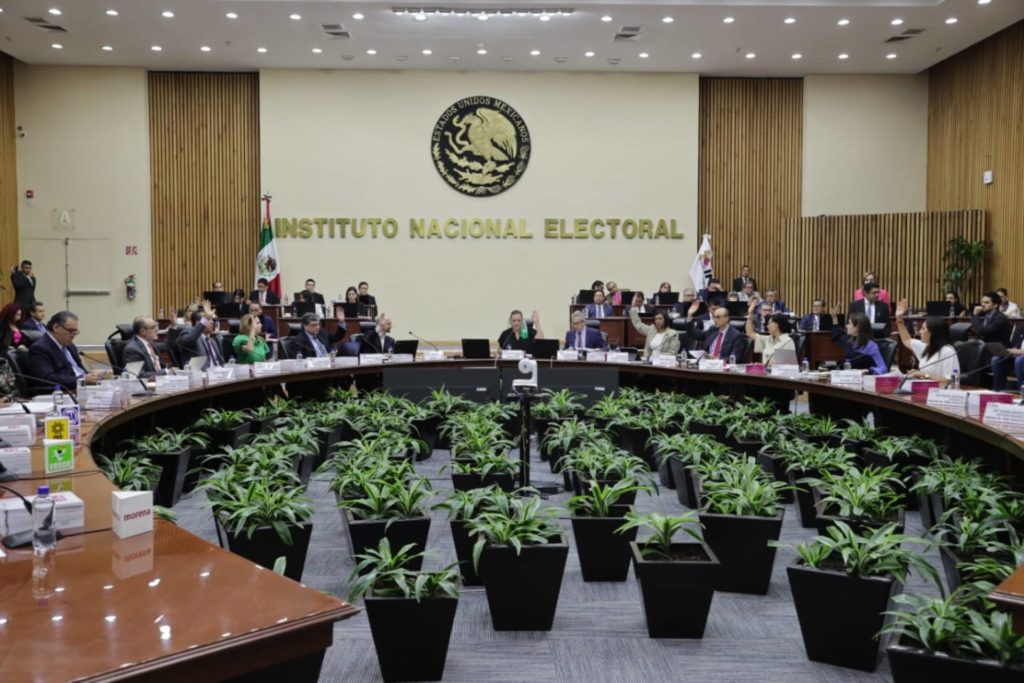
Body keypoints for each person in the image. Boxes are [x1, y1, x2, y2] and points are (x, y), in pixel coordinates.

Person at [25, 311, 101, 393]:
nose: (73, 335)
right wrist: (81, 379)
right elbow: (47, 379)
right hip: (63, 393)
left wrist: (92, 376)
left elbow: (80, 370)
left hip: (83, 389)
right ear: (56, 327)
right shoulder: (40, 348)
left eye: (75, 332)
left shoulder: (70, 346)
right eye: (70, 331)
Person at [894, 299, 959, 385]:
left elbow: (949, 381)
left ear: (933, 332)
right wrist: (899, 320)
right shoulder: (926, 346)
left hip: (942, 392)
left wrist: (923, 375)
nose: (919, 332)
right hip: (925, 389)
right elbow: (906, 340)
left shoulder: (948, 351)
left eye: (923, 329)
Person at [829, 308, 887, 375]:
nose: (846, 326)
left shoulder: (871, 346)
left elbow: (883, 369)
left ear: (858, 327)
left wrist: (868, 371)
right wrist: (834, 318)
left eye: (849, 324)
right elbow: (838, 335)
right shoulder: (851, 342)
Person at [745, 301, 796, 366]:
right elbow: (749, 333)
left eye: (769, 323)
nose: (767, 326)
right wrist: (750, 314)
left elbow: (787, 365)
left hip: (777, 372)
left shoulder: (787, 341)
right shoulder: (768, 339)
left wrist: (765, 365)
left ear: (777, 325)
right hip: (765, 371)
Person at [180, 302, 226, 370]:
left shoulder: (213, 341)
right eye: (209, 319)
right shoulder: (192, 337)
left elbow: (222, 362)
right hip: (202, 374)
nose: (212, 322)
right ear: (197, 323)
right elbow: (189, 340)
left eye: (211, 319)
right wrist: (205, 319)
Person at [991, 324, 1024, 392]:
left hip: (1020, 359)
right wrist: (1009, 350)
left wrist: (1020, 351)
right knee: (996, 359)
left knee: (1019, 361)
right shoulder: (1021, 328)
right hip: (1015, 357)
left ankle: (1021, 391)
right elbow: (1016, 345)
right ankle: (999, 391)